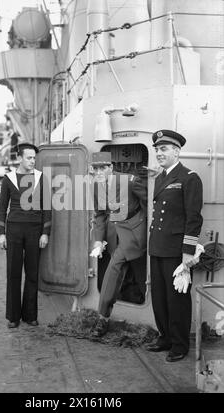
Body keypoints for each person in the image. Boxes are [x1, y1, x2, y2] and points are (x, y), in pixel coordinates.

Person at [146, 130, 203, 362]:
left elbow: (193, 218)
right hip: (158, 246)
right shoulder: (160, 178)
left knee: (177, 298)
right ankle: (165, 337)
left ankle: (180, 344)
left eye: (164, 149)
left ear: (177, 151)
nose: (159, 153)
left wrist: (188, 252)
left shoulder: (189, 177)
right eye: (157, 149)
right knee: (159, 297)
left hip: (176, 250)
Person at [90, 152, 147, 337]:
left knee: (134, 272)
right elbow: (100, 215)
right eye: (96, 168)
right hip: (114, 234)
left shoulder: (131, 181)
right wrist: (98, 240)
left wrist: (148, 231)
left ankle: (103, 318)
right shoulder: (96, 186)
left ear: (111, 168)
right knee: (123, 272)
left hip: (134, 233)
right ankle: (105, 316)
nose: (99, 172)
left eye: (103, 168)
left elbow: (149, 203)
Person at [0, 142, 51, 328]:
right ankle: (13, 316)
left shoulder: (41, 178)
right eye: (29, 157)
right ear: (19, 158)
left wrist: (45, 233)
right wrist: (1, 234)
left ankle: (30, 315)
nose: (32, 161)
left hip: (34, 231)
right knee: (13, 272)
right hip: (14, 231)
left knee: (32, 273)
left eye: (34, 158)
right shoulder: (8, 179)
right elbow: (2, 208)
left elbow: (47, 208)